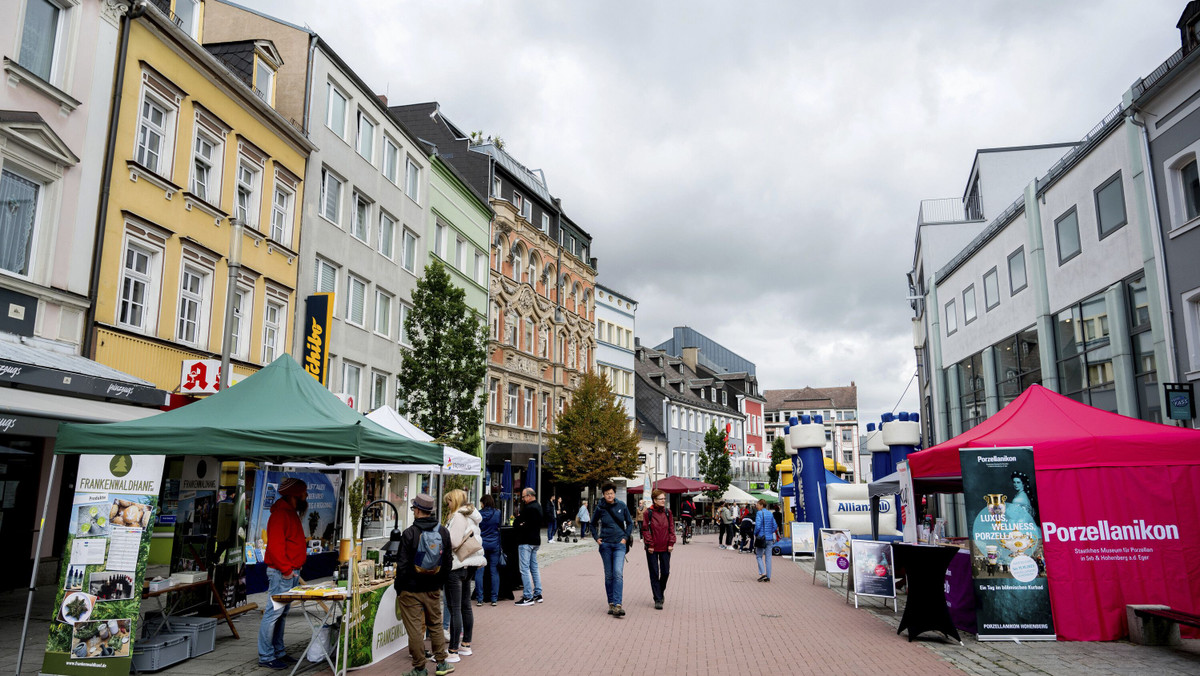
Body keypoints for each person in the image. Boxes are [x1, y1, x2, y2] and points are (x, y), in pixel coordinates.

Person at [395, 493, 454, 676]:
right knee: (435, 624)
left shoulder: (410, 533)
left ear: (418, 510)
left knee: (414, 629)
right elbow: (448, 562)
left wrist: (400, 586)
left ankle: (420, 668)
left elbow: (402, 565)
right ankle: (442, 664)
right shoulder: (443, 531)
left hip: (411, 589)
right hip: (433, 588)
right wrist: (438, 582)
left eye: (414, 509)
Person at [259, 479, 308, 669]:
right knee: (274, 614)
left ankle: (278, 651)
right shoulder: (280, 514)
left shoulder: (290, 512)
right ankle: (266, 655)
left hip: (290, 571)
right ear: (294, 494)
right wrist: (287, 570)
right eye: (303, 493)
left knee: (282, 614)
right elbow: (276, 547)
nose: (306, 496)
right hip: (282, 573)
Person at [444, 490, 485, 663]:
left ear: (454, 500)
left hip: (457, 564)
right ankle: (465, 644)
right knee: (465, 605)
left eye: (448, 501)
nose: (447, 505)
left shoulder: (458, 517)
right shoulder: (472, 516)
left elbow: (453, 541)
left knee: (455, 608)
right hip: (470, 564)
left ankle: (453, 650)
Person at [592, 483, 633, 617]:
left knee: (617, 572)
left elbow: (630, 522)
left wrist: (625, 538)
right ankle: (611, 603)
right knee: (609, 575)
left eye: (611, 493)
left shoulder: (622, 506)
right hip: (606, 545)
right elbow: (592, 524)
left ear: (614, 493)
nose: (609, 495)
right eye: (607, 493)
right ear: (603, 495)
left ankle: (618, 604)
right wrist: (597, 538)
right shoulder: (600, 507)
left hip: (619, 545)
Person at [641, 488, 676, 610]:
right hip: (652, 548)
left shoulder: (668, 512)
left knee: (665, 572)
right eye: (661, 499)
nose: (663, 501)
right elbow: (645, 530)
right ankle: (658, 599)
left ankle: (660, 592)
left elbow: (671, 528)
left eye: (664, 498)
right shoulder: (648, 513)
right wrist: (650, 544)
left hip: (666, 547)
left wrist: (671, 542)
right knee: (654, 573)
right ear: (654, 500)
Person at [512, 487, 543, 605]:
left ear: (529, 496)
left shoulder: (528, 508)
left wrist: (520, 524)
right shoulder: (538, 506)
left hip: (526, 541)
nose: (523, 499)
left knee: (524, 569)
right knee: (534, 567)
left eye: (524, 496)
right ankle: (538, 593)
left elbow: (518, 523)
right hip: (536, 540)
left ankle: (528, 596)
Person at [473, 495, 502, 607]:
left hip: (482, 544)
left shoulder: (478, 514)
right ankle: (494, 598)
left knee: (479, 571)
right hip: (494, 544)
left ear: (483, 503)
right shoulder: (498, 513)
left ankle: (480, 598)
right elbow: (498, 526)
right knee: (494, 571)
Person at [754, 499, 778, 582]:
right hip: (769, 538)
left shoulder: (759, 513)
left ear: (761, 505)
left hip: (761, 538)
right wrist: (769, 532)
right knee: (768, 557)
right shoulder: (770, 514)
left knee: (759, 556)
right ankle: (768, 576)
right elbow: (775, 526)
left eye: (757, 504)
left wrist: (755, 533)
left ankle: (763, 573)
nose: (756, 505)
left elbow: (758, 525)